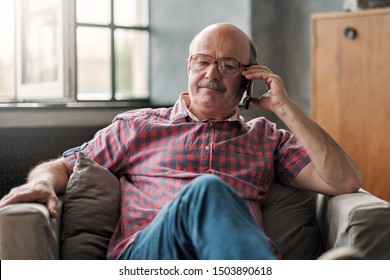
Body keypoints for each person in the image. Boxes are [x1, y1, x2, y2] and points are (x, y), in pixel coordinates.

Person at [0, 23, 362, 260]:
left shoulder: (265, 138)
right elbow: (66, 165)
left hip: (231, 261)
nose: (211, 73)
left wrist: (286, 108)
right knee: (207, 191)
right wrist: (44, 183)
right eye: (202, 61)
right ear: (189, 67)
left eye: (229, 65)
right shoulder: (137, 126)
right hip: (149, 257)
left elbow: (343, 180)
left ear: (249, 80)